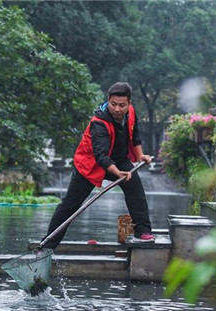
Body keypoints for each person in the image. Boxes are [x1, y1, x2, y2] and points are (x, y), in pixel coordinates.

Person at [44, 82, 155, 249]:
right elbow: (101, 157)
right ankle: (47, 246)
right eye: (113, 104)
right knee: (70, 205)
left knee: (135, 189)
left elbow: (135, 135)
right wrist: (118, 173)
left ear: (129, 103)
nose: (117, 109)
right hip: (91, 165)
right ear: (108, 100)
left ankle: (143, 231)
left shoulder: (131, 113)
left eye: (122, 105)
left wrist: (140, 155)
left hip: (118, 159)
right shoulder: (99, 123)